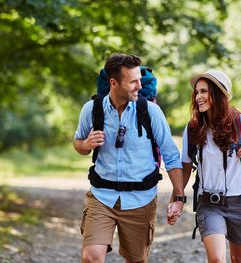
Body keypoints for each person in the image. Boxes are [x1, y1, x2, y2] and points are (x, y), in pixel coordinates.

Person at [74, 53, 185, 263]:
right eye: (133, 81)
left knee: (136, 260)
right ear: (113, 83)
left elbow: (171, 155)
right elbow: (78, 143)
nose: (139, 86)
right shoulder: (92, 110)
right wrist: (85, 145)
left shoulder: (150, 112)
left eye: (140, 80)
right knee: (91, 257)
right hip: (102, 197)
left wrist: (178, 197)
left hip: (140, 199)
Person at [181, 69, 241, 263]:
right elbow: (185, 164)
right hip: (209, 203)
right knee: (217, 259)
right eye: (197, 91)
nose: (198, 96)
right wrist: (177, 197)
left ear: (218, 95)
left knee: (239, 260)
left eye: (204, 91)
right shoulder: (193, 127)